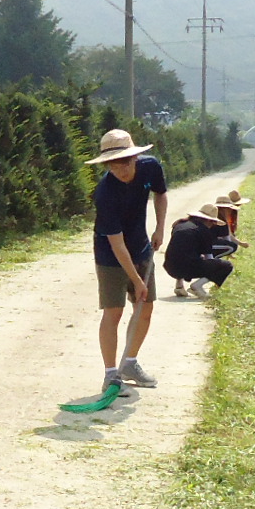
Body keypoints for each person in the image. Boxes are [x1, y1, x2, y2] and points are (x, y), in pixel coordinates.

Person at [86, 128, 169, 389]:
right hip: (111, 255)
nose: (120, 169)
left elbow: (161, 194)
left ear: (134, 158)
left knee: (145, 307)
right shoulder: (105, 192)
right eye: (113, 164)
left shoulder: (150, 167)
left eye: (124, 162)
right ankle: (111, 374)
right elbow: (116, 242)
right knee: (114, 311)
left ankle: (130, 362)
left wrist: (159, 228)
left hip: (141, 246)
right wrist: (136, 280)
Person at [164, 202, 239, 299]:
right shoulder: (203, 230)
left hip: (170, 267)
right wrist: (215, 270)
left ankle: (179, 285)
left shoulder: (179, 224)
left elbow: (178, 250)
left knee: (185, 256)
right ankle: (197, 286)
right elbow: (209, 258)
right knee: (226, 266)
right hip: (186, 268)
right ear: (209, 221)